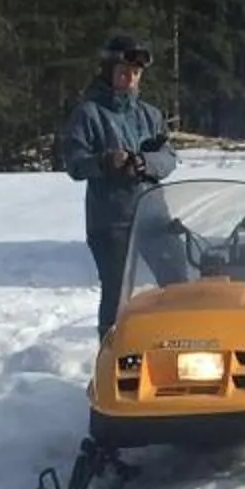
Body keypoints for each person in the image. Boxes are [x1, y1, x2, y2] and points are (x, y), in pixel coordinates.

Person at [60, 31, 178, 333]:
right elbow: (74, 163)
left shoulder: (150, 115)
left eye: (136, 74)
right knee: (117, 294)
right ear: (108, 71)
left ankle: (183, 350)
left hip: (152, 215)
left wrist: (144, 162)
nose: (130, 79)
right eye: (124, 72)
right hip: (111, 221)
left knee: (180, 283)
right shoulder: (88, 113)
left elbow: (169, 157)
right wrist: (104, 162)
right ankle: (111, 364)